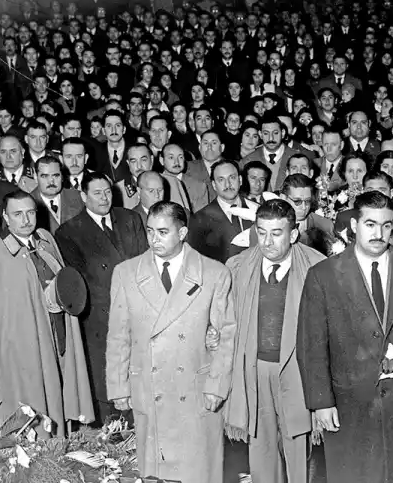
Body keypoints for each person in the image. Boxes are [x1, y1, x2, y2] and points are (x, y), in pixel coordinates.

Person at [297, 190, 393, 483]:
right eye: (370, 224)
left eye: (386, 225)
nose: (379, 233)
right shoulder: (322, 275)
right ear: (354, 226)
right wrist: (321, 402)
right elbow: (311, 344)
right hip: (349, 403)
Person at [106, 201, 236, 483]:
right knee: (155, 472)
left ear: (182, 233)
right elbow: (118, 335)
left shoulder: (214, 274)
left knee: (196, 472)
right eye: (150, 231)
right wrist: (118, 386)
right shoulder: (126, 273)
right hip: (148, 388)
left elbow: (226, 336)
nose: (154, 239)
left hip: (195, 388)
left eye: (163, 232)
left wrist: (217, 386)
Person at [0, 190, 94, 434]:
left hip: (55, 336)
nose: (26, 220)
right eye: (18, 214)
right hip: (20, 350)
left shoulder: (45, 241)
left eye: (30, 213)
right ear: (5, 217)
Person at [224, 199, 326, 483]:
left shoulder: (319, 267)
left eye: (276, 233)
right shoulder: (237, 266)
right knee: (261, 451)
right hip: (255, 369)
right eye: (261, 232)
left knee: (300, 451)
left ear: (293, 234)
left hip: (299, 370)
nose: (267, 242)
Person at [54, 172, 148, 425]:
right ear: (84, 196)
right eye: (97, 193)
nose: (104, 198)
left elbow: (145, 263)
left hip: (137, 314)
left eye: (107, 191)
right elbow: (81, 284)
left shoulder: (130, 219)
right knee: (107, 387)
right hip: (100, 319)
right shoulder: (69, 232)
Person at [187, 159, 256, 263]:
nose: (227, 184)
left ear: (240, 180)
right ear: (214, 185)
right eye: (221, 180)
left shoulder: (258, 210)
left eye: (232, 178)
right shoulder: (199, 219)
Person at [31, 155, 84, 234]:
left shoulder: (79, 198)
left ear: (62, 176)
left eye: (56, 175)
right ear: (35, 177)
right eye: (45, 176)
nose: (51, 182)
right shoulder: (27, 203)